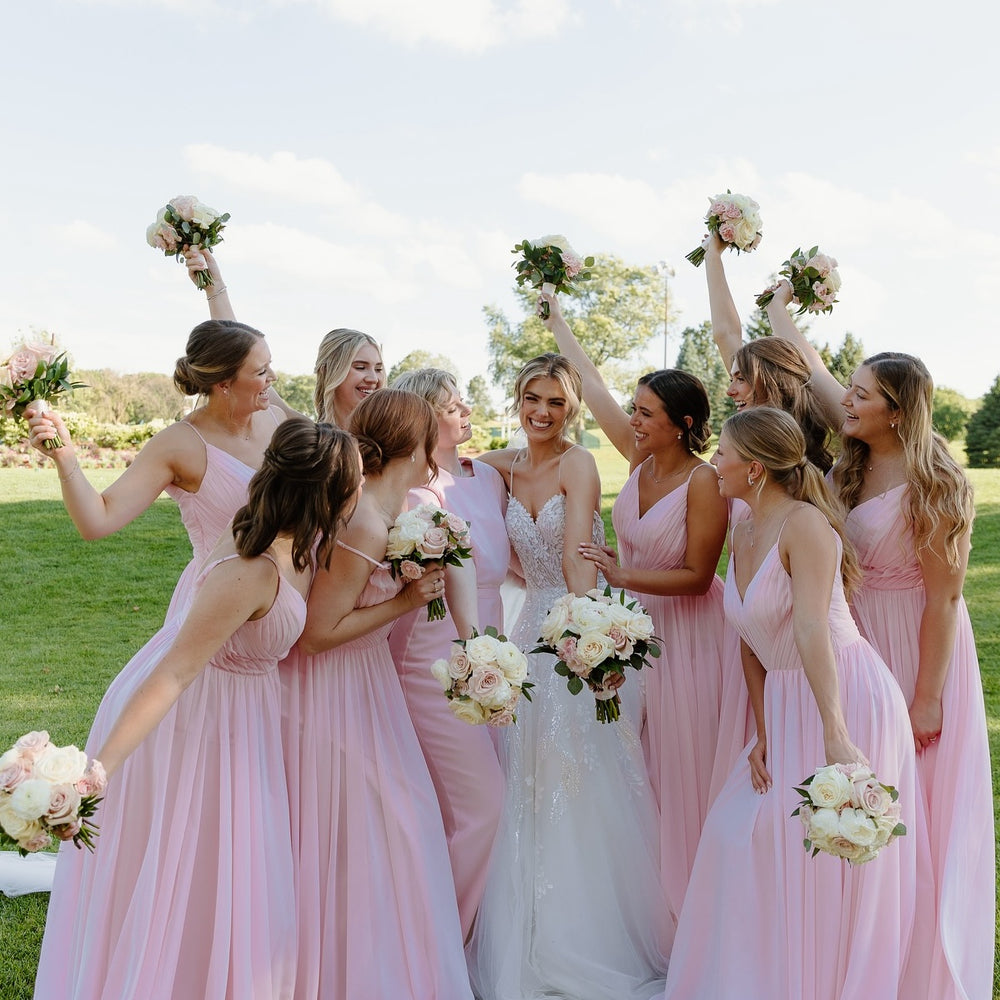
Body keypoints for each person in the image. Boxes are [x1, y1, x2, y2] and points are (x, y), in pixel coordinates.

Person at [34, 418, 362, 1000]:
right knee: (195, 884)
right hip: (198, 724)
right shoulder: (251, 569)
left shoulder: (304, 545)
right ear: (327, 493)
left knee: (244, 889)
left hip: (245, 725)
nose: (361, 489)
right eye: (355, 481)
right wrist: (96, 774)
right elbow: (175, 673)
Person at [760, 304, 995, 1000]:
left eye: (862, 396)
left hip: (917, 648)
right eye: (852, 391)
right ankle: (845, 941)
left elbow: (945, 600)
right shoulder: (854, 464)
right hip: (852, 642)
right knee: (849, 789)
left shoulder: (936, 483)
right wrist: (782, 315)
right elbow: (822, 376)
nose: (847, 403)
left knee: (913, 806)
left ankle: (910, 960)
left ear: (896, 411)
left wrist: (927, 696)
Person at [662, 407, 917, 1000]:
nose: (713, 463)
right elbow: (750, 637)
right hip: (783, 697)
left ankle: (829, 983)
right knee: (740, 836)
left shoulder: (804, 525)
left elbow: (811, 630)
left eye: (722, 453)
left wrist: (835, 731)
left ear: (753, 468)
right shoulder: (744, 527)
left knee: (823, 852)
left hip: (842, 693)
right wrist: (763, 728)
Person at [469, 353, 669, 1000]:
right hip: (526, 633)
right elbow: (465, 467)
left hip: (575, 625)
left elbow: (580, 555)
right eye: (532, 398)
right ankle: (519, 931)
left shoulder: (577, 463)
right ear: (518, 398)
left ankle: (583, 934)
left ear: (573, 407)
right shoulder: (501, 465)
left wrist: (589, 645)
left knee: (575, 772)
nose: (542, 412)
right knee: (519, 774)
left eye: (555, 402)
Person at [542, 290, 728, 929]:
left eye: (646, 412)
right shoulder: (639, 456)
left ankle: (692, 908)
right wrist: (557, 319)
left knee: (680, 762)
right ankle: (642, 902)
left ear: (680, 422)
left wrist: (620, 574)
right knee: (632, 762)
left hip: (689, 634)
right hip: (628, 631)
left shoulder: (704, 482)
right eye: (636, 410)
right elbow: (591, 385)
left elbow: (701, 577)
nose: (634, 419)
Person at [280, 389, 472, 1000]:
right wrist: (405, 601)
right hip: (332, 690)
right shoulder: (363, 517)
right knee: (379, 825)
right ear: (411, 446)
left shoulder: (391, 509)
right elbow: (315, 636)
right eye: (430, 430)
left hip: (367, 683)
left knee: (394, 826)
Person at [26, 319, 286, 622]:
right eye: (261, 371)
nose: (274, 377)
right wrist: (64, 457)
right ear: (224, 383)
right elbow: (98, 520)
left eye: (270, 366)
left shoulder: (278, 421)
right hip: (218, 609)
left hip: (287, 600)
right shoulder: (179, 444)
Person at [387, 368, 508, 940]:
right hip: (431, 660)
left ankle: (466, 931)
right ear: (424, 416)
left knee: (465, 806)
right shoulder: (402, 489)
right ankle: (439, 942)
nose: (467, 412)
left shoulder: (485, 476)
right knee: (483, 806)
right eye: (455, 406)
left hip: (491, 654)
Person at [187, 248, 385, 426]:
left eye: (378, 369)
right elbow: (236, 348)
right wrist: (215, 288)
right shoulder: (305, 433)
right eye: (360, 367)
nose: (374, 379)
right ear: (329, 371)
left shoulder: (395, 439)